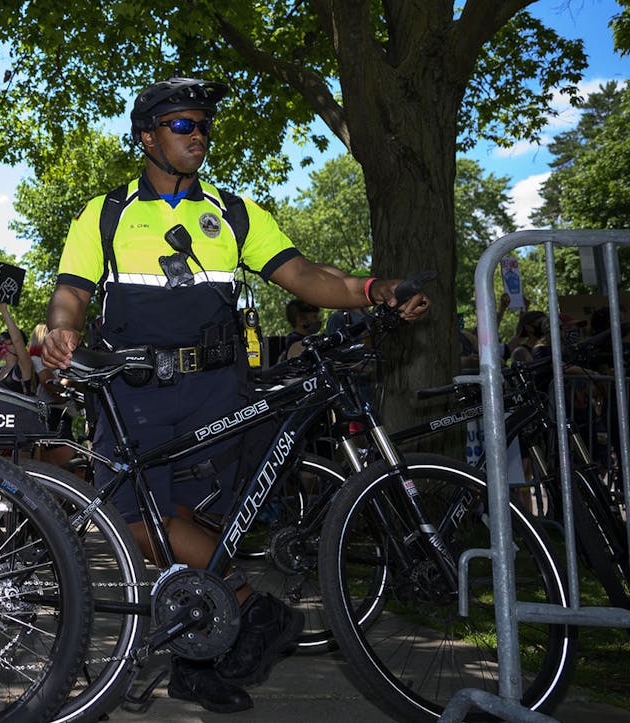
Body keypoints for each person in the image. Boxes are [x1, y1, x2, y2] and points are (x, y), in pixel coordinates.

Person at [40, 76, 431, 714]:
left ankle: (197, 666)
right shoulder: (104, 212)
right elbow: (72, 292)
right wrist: (61, 331)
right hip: (132, 393)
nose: (200, 136)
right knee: (139, 525)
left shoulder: (235, 212)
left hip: (217, 389)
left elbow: (304, 275)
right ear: (148, 137)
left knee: (207, 527)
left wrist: (371, 288)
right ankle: (254, 610)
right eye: (184, 125)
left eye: (204, 125)